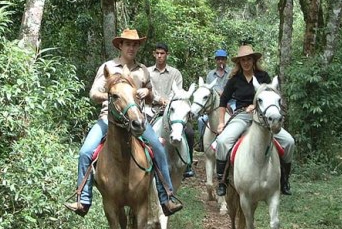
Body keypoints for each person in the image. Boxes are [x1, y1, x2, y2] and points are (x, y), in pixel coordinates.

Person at [64, 29, 183, 217]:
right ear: (120, 45)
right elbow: (94, 93)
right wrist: (113, 97)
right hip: (109, 120)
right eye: (128, 44)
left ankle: (166, 197)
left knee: (158, 150)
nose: (132, 47)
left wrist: (147, 93)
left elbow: (151, 98)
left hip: (137, 120)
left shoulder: (143, 70)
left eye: (135, 44)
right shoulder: (108, 68)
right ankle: (83, 199)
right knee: (85, 152)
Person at [213, 44, 295, 196]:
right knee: (223, 141)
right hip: (242, 116)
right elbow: (223, 101)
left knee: (289, 142)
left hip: (264, 118)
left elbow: (271, 96)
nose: (246, 62)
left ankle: (284, 179)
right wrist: (221, 122)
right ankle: (222, 180)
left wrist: (256, 106)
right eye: (243, 60)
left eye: (248, 59)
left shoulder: (263, 76)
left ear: (253, 60)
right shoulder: (234, 80)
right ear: (239, 62)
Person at [148, 42, 194, 178]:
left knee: (190, 132)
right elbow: (148, 90)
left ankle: (187, 164)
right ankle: (144, 163)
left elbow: (178, 92)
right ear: (154, 54)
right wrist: (158, 100)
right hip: (152, 109)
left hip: (173, 110)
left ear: (167, 55)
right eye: (157, 53)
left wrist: (169, 102)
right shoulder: (148, 72)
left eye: (162, 54)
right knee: (142, 131)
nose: (159, 56)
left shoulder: (175, 73)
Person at [197, 48, 231, 150]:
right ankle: (202, 143)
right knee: (201, 120)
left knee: (235, 118)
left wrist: (225, 96)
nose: (221, 61)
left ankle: (233, 144)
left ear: (226, 60)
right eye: (218, 59)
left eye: (223, 59)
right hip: (214, 105)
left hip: (229, 102)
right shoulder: (210, 75)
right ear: (216, 60)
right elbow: (208, 91)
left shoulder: (231, 73)